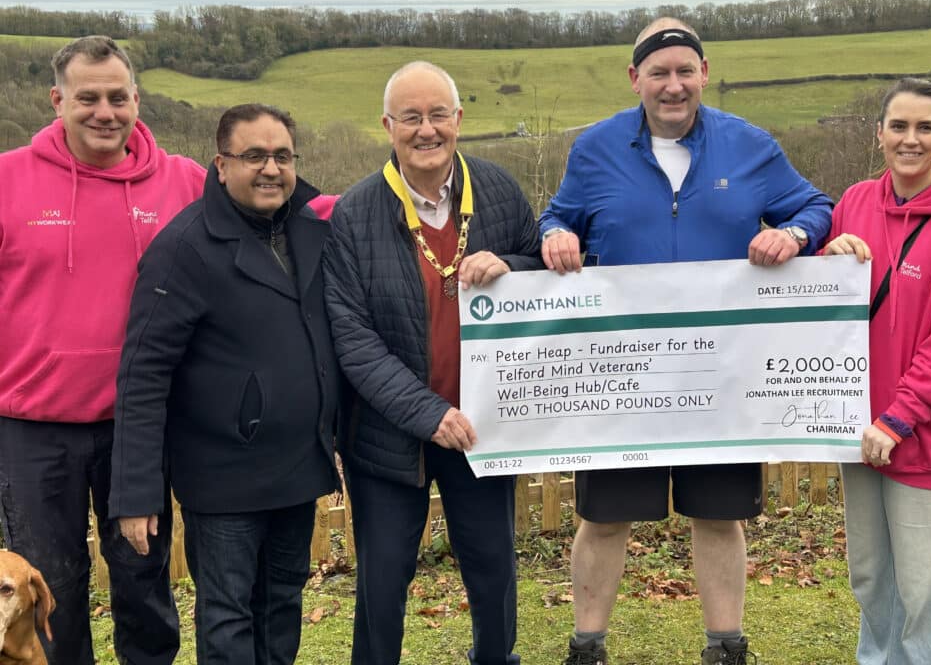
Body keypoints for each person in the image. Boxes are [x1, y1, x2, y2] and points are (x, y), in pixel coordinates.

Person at [539, 18, 833, 665]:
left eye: (684, 71)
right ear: (635, 78)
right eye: (658, 73)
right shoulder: (595, 149)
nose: (673, 86)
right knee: (604, 517)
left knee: (719, 515)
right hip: (623, 371)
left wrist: (794, 235)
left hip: (721, 376)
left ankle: (726, 648)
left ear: (704, 73)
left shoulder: (751, 145)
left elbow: (816, 207)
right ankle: (586, 647)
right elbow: (559, 214)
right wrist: (555, 234)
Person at [323, 61, 543, 665]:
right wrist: (428, 414)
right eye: (411, 117)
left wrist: (512, 266)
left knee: (493, 571)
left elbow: (542, 273)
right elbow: (353, 339)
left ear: (459, 120)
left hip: (482, 428)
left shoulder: (498, 190)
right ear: (387, 126)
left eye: (438, 115)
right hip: (387, 436)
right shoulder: (355, 213)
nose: (427, 130)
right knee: (383, 582)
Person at [108, 103, 342, 664]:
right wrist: (136, 493)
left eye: (282, 156)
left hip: (297, 464)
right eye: (254, 156)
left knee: (282, 603)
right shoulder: (184, 248)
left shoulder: (312, 231)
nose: (271, 169)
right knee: (229, 614)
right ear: (220, 164)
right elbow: (143, 374)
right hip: (223, 477)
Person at [0, 35, 206, 665]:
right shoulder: (7, 179)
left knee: (144, 580)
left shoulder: (183, 181)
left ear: (137, 99)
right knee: (49, 589)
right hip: (31, 426)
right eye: (87, 98)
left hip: (137, 425)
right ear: (57, 100)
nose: (104, 112)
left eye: (118, 97)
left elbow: (276, 205)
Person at [822, 78, 931, 665]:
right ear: (878, 133)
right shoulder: (854, 204)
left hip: (930, 441)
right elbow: (823, 307)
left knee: (924, 596)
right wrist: (824, 258)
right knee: (873, 582)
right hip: (861, 434)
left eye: (925, 128)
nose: (910, 139)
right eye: (898, 126)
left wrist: (898, 418)